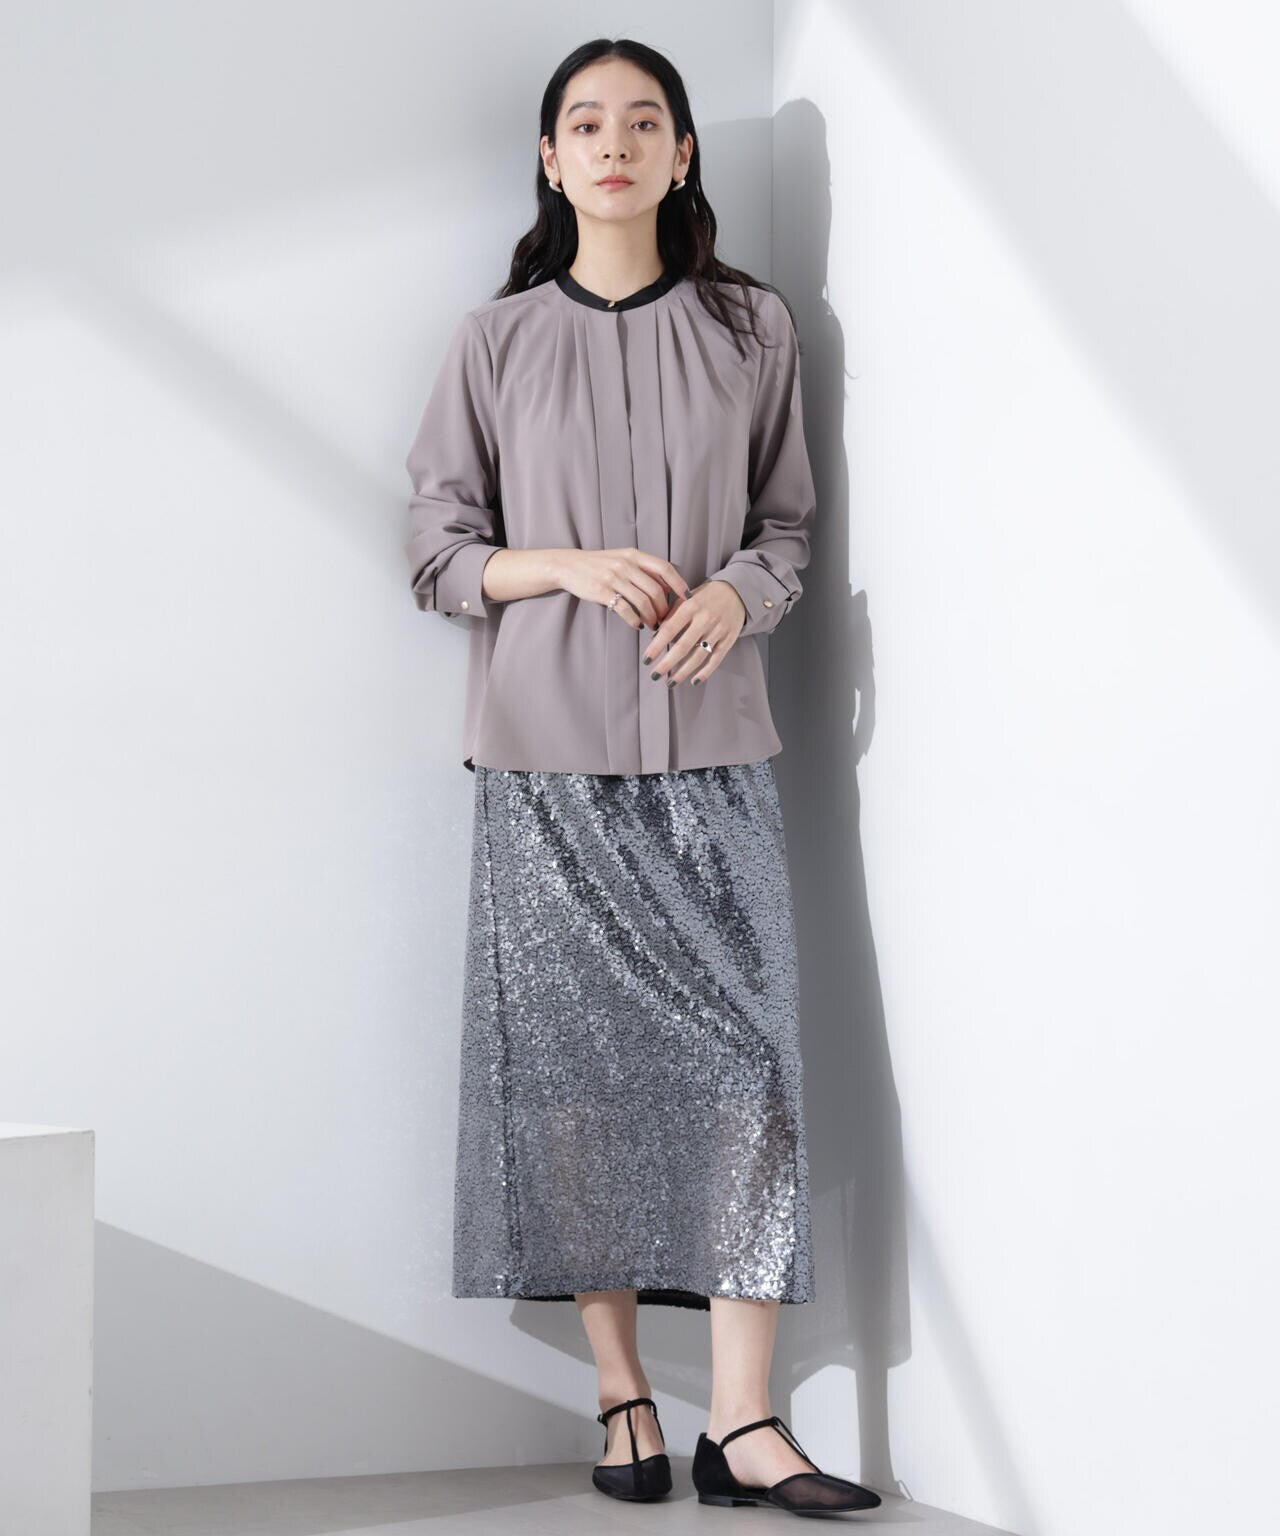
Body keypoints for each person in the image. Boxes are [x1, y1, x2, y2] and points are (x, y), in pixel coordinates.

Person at [403, 35, 879, 1519]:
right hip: (543, 768)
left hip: (715, 754)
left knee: (752, 1075)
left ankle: (745, 1422)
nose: (615, 143)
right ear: (550, 159)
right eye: (587, 123)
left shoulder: (755, 327)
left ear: (682, 155)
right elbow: (434, 552)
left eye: (645, 120)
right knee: (574, 1084)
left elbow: (788, 528)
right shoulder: (493, 341)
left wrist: (741, 591)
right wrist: (558, 564)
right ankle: (621, 1397)